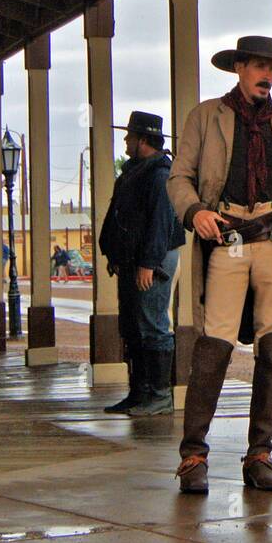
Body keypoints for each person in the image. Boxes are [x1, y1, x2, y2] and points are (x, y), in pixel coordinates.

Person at [169, 36, 272, 494]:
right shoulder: (205, 117)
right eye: (260, 66)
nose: (268, 76)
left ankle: (259, 454)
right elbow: (179, 176)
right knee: (214, 345)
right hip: (228, 236)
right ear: (239, 68)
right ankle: (193, 456)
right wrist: (195, 212)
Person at [97, 111, 186, 416]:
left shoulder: (161, 175)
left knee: (152, 324)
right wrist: (114, 253)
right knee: (133, 326)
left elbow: (160, 225)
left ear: (143, 140)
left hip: (153, 261)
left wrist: (148, 263)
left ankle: (159, 395)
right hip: (132, 261)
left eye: (130, 136)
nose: (125, 140)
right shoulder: (136, 171)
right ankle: (139, 393)